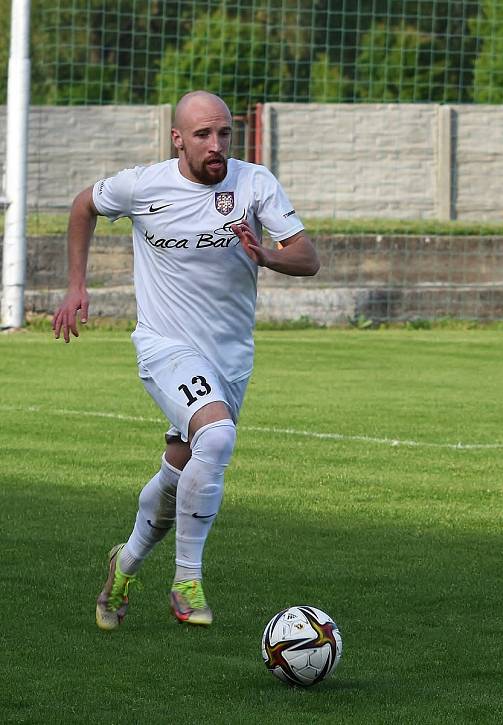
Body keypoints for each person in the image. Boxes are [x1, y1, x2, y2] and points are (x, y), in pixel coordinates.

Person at [52, 91, 320, 629]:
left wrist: (265, 253)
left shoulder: (254, 183)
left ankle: (123, 566)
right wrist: (75, 286)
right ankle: (187, 580)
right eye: (203, 135)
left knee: (180, 472)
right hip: (164, 346)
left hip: (230, 357)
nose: (216, 145)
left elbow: (308, 258)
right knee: (217, 438)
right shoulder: (142, 185)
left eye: (224, 133)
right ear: (178, 138)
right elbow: (84, 205)